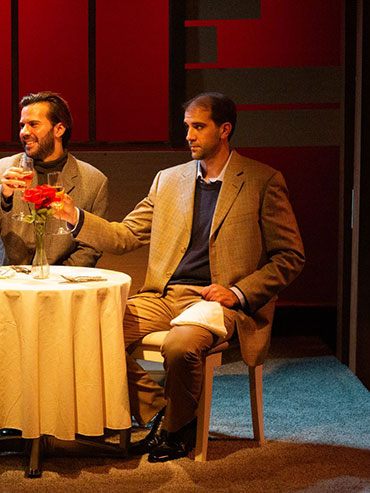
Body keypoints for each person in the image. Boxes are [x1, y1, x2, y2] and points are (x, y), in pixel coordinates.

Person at [55, 93, 305, 462]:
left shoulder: (262, 180)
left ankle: (175, 431)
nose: (188, 135)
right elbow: (124, 236)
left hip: (215, 300)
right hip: (164, 295)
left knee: (179, 346)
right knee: (89, 327)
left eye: (198, 127)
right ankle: (165, 412)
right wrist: (75, 215)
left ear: (224, 130)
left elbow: (290, 256)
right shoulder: (168, 180)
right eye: (187, 126)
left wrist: (238, 292)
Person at [0, 91, 108, 267]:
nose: (24, 132)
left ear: (59, 129)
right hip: (6, 276)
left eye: (33, 124)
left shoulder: (94, 181)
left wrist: (56, 278)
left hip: (62, 282)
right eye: (22, 125)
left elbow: (92, 245)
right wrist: (3, 194)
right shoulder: (1, 169)